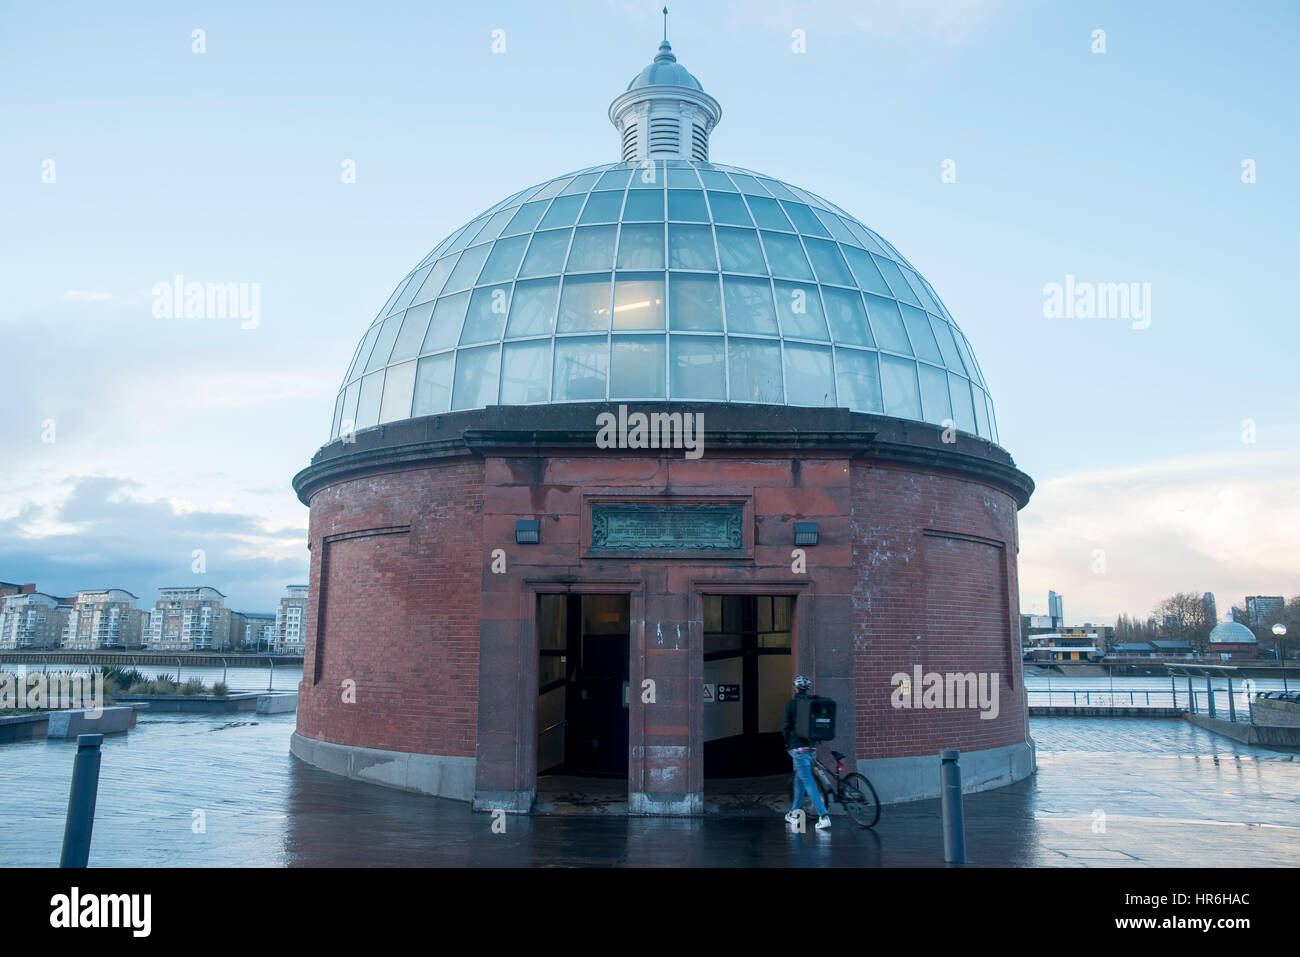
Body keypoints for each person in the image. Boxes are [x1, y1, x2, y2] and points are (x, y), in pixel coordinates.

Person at [783, 675, 831, 830]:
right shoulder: (812, 704)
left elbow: (785, 726)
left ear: (796, 688)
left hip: (798, 748)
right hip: (811, 748)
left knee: (809, 783)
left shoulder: (791, 705)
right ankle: (793, 813)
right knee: (800, 782)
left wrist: (787, 742)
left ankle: (823, 816)